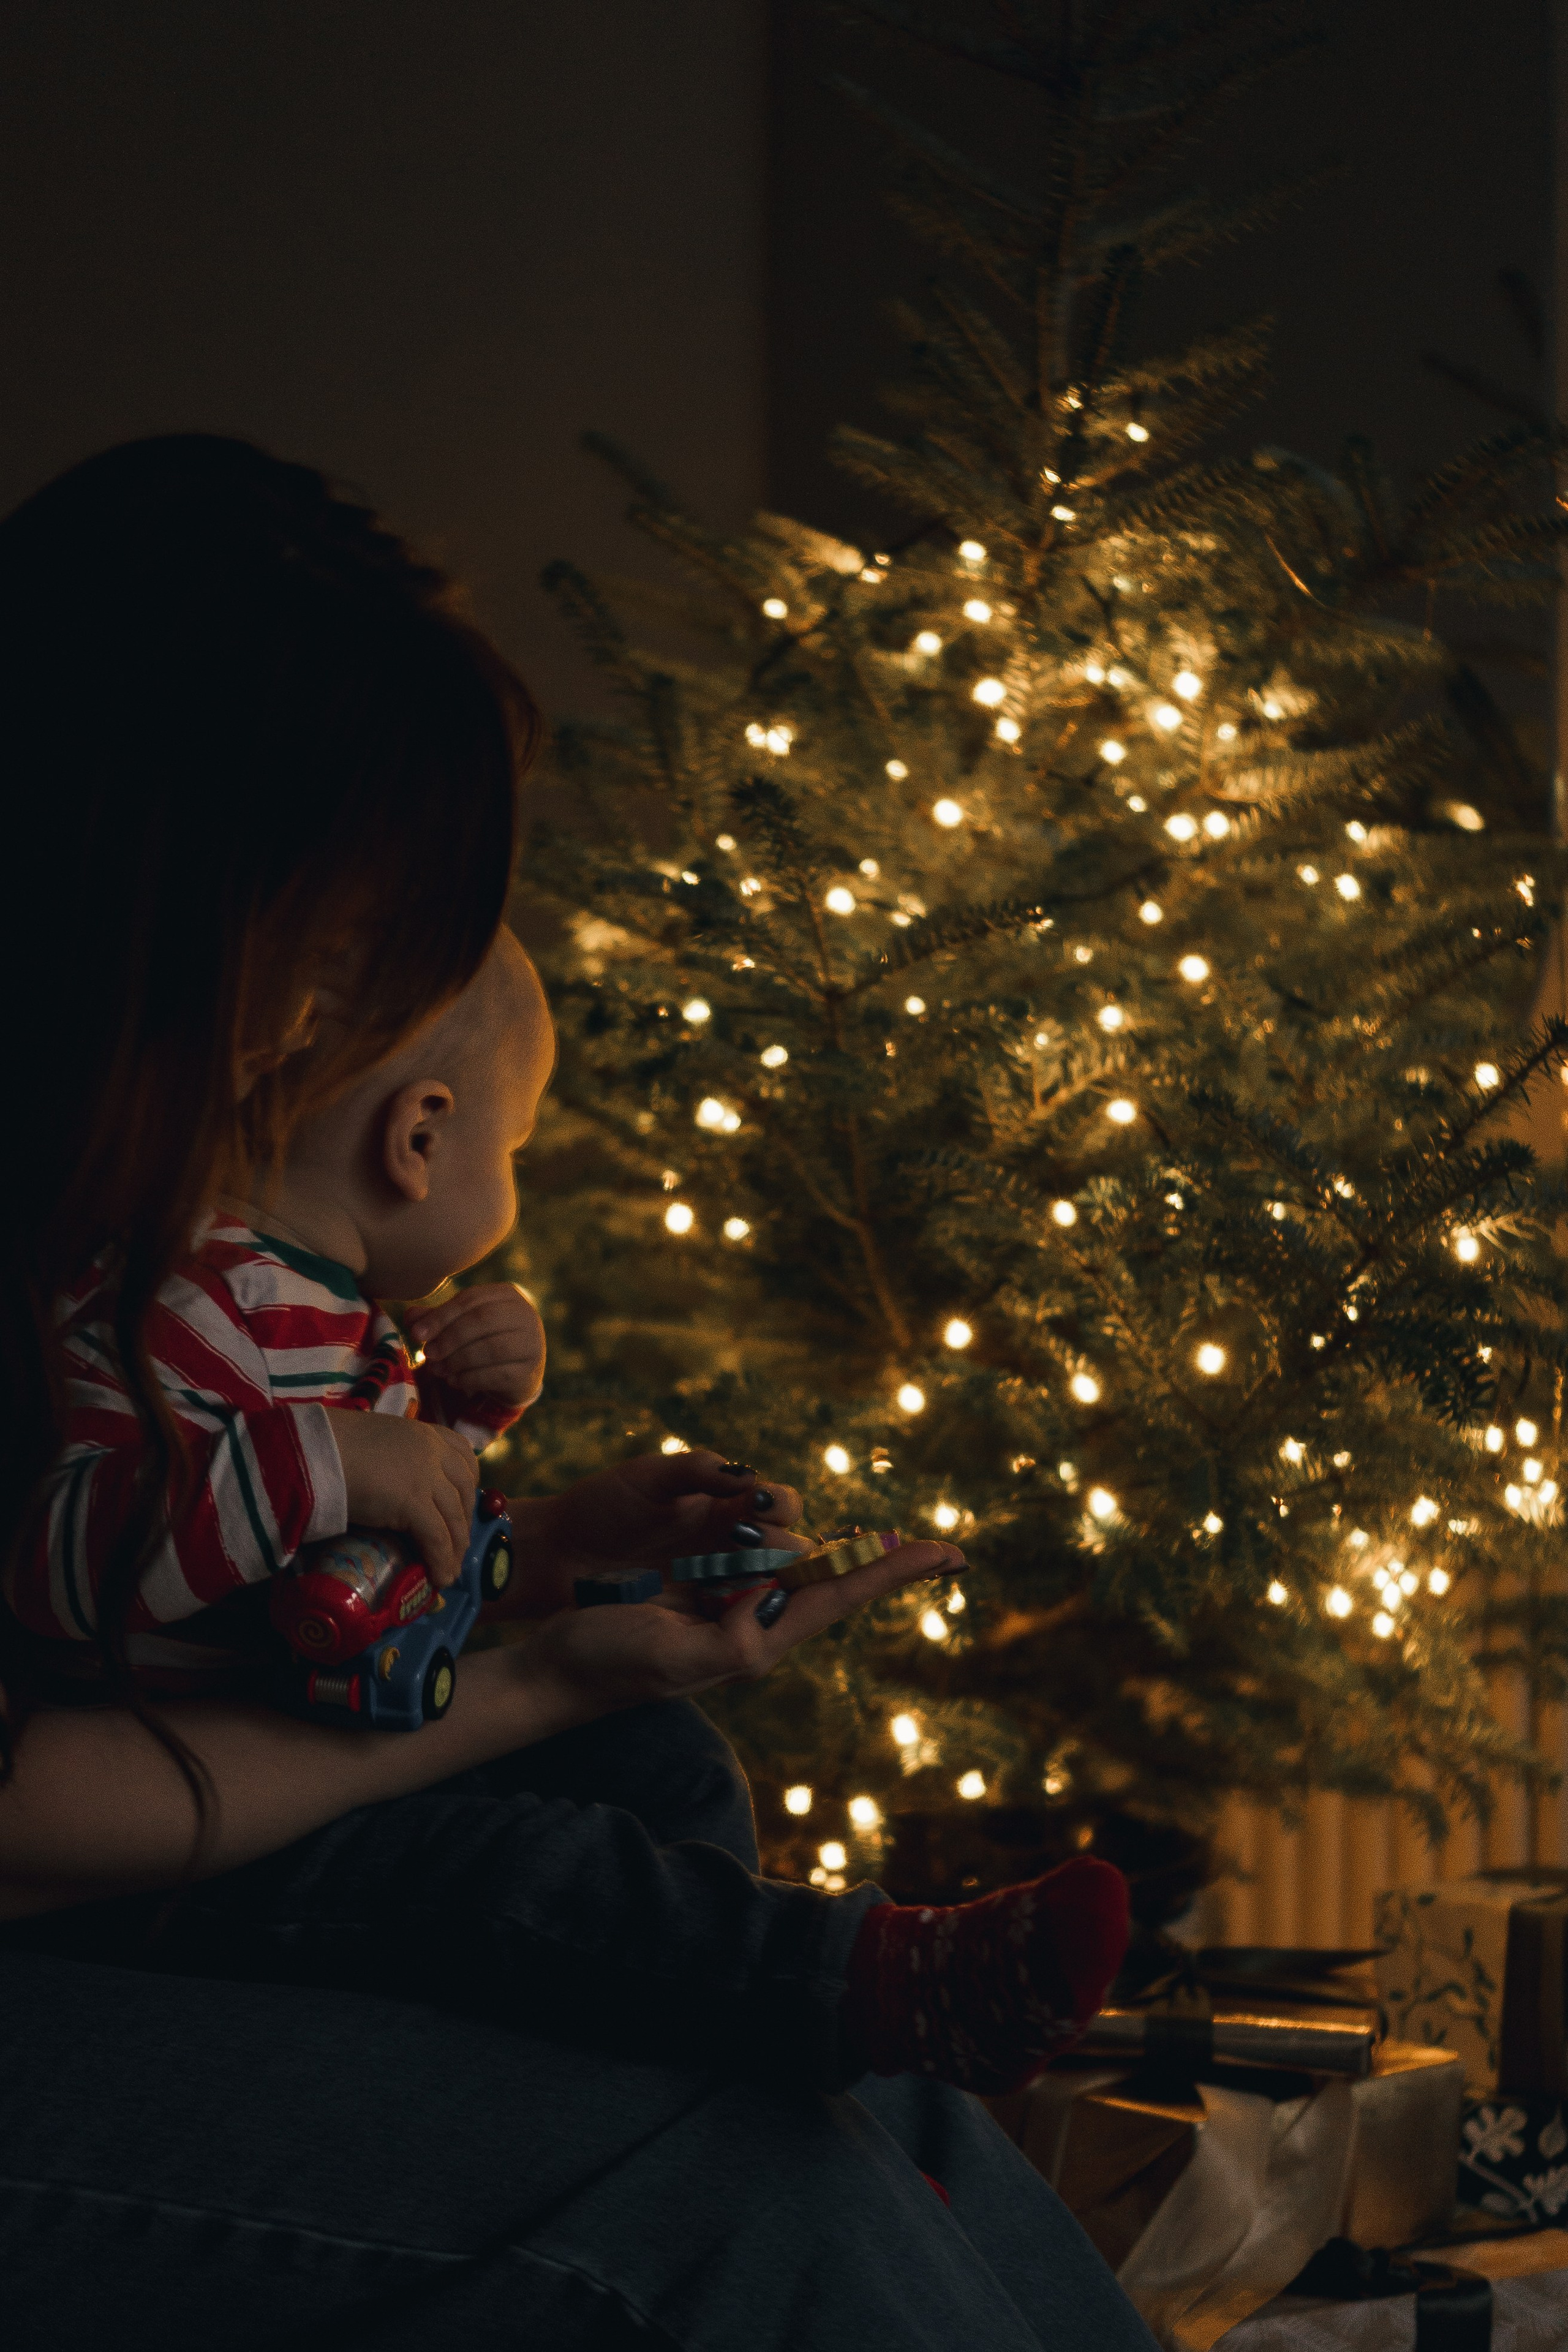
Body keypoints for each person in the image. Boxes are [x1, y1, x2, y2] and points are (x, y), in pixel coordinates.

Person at [0, 434, 1157, 2350]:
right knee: (737, 2174)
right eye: (354, 941)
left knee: (684, 1845)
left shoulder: (145, 1216)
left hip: (126, 1817)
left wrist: (529, 1578)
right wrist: (518, 1672)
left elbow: (184, 1589)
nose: (346, 1019)